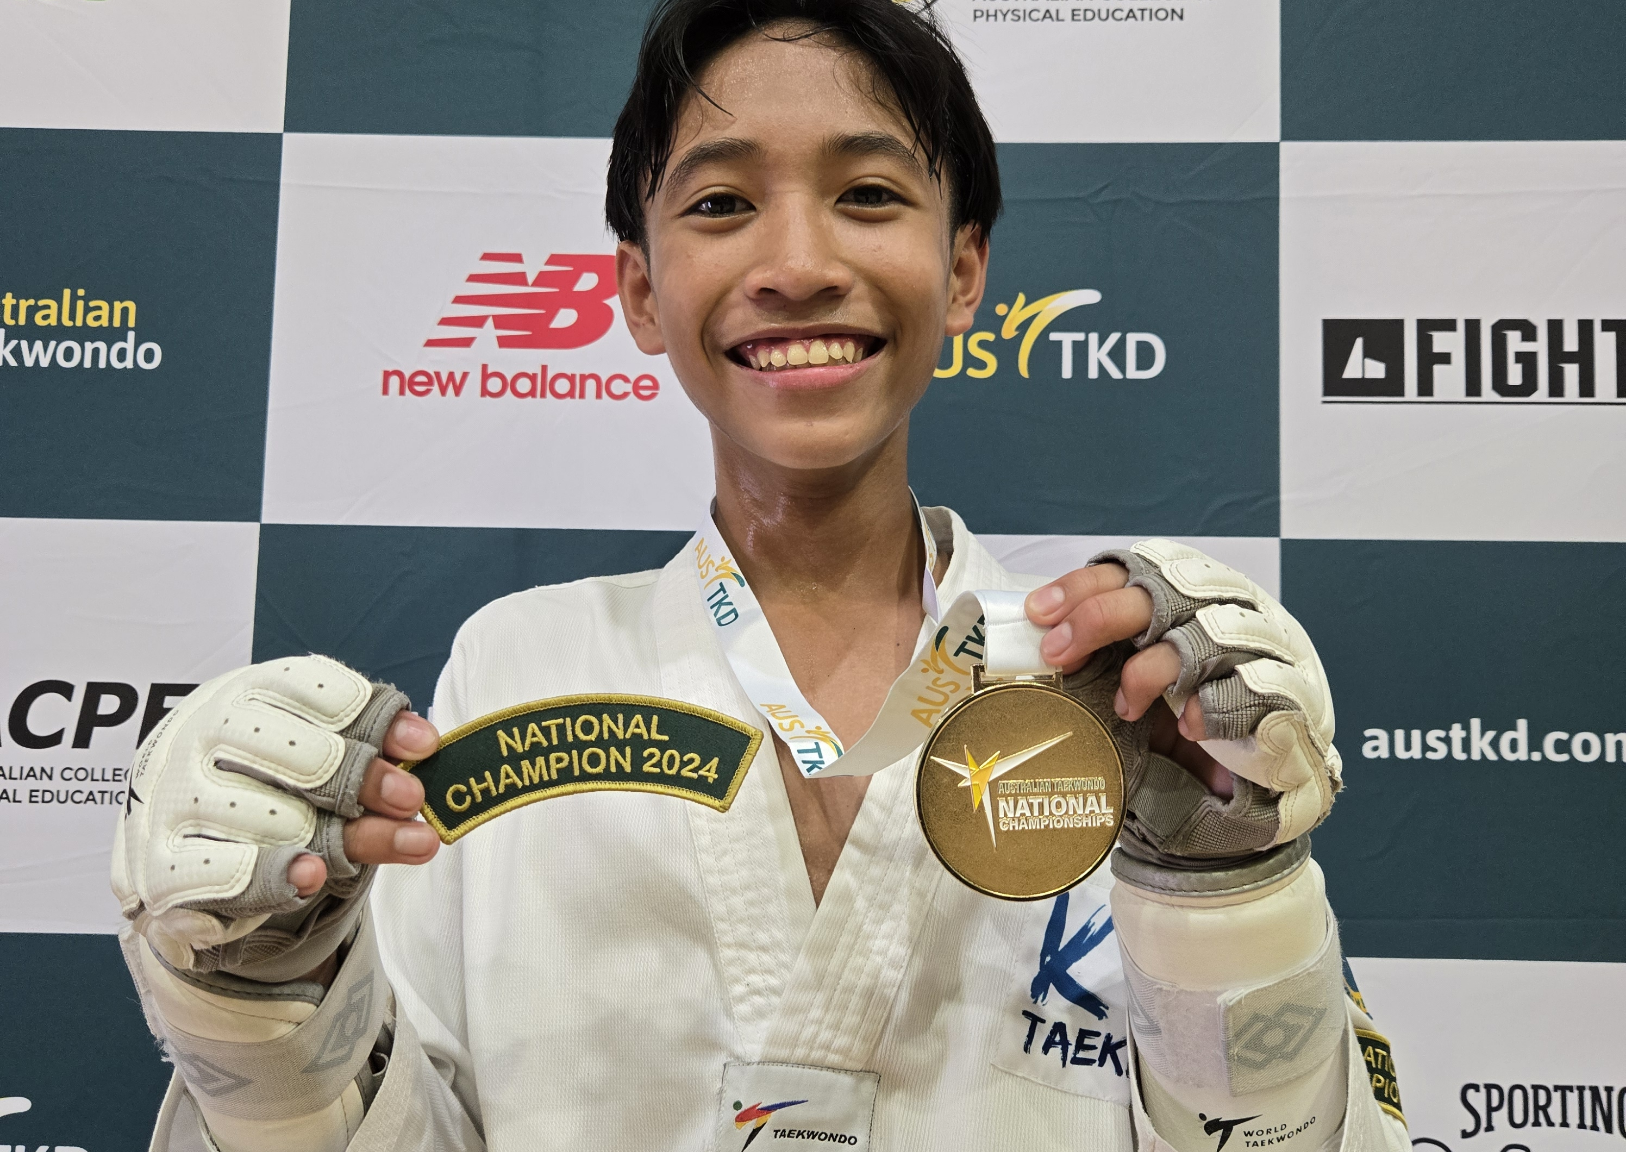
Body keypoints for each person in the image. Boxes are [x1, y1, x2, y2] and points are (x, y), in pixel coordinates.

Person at [111, 1, 1406, 1149]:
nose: (796, 264)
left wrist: (1223, 896)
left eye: (869, 194)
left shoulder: (1134, 707)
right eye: (722, 202)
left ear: (963, 271)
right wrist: (267, 1013)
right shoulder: (521, 664)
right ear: (636, 287)